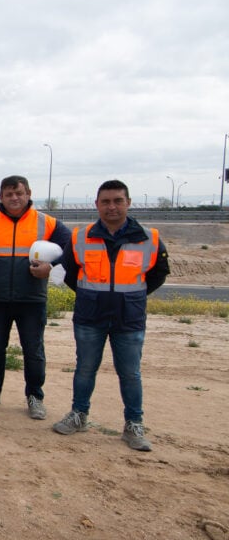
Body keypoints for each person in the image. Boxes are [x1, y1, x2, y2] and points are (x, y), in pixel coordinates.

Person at [53, 180, 169, 451]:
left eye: (117, 200)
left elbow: (158, 273)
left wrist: (132, 296)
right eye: (105, 201)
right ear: (97, 205)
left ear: (128, 202)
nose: (112, 206)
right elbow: (69, 273)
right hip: (89, 317)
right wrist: (89, 295)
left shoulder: (149, 237)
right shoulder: (81, 237)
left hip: (128, 319)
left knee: (130, 373)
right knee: (84, 369)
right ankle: (79, 415)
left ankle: (133, 425)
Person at [0, 174, 71, 419]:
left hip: (31, 301)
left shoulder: (48, 223)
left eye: (19, 193)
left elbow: (73, 249)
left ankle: (35, 396)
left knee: (33, 350)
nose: (14, 198)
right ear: (0, 197)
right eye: (9, 194)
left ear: (28, 194)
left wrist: (51, 269)